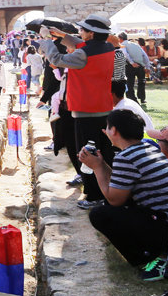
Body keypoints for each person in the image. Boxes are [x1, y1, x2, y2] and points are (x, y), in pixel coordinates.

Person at [79, 109, 168, 280]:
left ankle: (149, 257)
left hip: (163, 224)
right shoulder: (147, 147)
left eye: (107, 127)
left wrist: (97, 168)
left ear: (113, 131)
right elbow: (120, 185)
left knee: (100, 214)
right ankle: (153, 251)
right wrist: (101, 163)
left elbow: (115, 200)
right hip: (162, 218)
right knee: (109, 209)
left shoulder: (126, 156)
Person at [39, 13, 116, 209]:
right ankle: (106, 190)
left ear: (90, 33)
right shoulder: (106, 47)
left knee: (87, 155)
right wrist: (61, 35)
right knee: (104, 153)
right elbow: (81, 43)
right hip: (103, 108)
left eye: (82, 30)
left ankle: (93, 194)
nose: (80, 32)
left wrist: (47, 40)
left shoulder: (84, 54)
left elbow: (57, 58)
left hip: (85, 111)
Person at [120, 33, 151, 105]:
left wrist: (132, 62)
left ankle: (132, 99)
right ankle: (142, 98)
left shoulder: (122, 44)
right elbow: (145, 56)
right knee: (141, 83)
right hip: (140, 65)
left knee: (130, 83)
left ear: (120, 38)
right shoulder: (136, 45)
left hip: (130, 66)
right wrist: (147, 66)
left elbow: (125, 54)